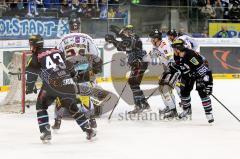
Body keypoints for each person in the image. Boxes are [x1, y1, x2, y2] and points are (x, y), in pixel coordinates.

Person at [26, 34, 97, 143]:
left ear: (33, 45)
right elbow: (69, 66)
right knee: (73, 107)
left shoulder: (35, 57)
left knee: (41, 105)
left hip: (51, 85)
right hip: (67, 82)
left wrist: (29, 88)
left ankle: (45, 131)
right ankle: (88, 129)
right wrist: (73, 75)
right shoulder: (56, 50)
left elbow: (31, 77)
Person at [52, 17, 116, 130]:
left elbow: (56, 57)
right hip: (83, 70)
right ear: (79, 26)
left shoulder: (62, 39)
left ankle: (57, 121)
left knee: (61, 95)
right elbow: (96, 54)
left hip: (68, 71)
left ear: (69, 26)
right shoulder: (87, 38)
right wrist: (95, 67)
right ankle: (92, 120)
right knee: (85, 95)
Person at [105, 25, 150, 114]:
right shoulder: (130, 38)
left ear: (129, 31)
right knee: (134, 83)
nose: (124, 32)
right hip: (138, 64)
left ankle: (139, 105)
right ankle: (144, 103)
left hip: (140, 63)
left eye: (125, 30)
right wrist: (114, 39)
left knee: (133, 82)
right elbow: (121, 47)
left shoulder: (134, 37)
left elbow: (125, 44)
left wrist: (114, 38)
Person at [170, 39, 214, 123]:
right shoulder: (176, 55)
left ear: (178, 48)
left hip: (199, 73)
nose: (173, 50)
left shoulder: (190, 54)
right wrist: (173, 68)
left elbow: (204, 69)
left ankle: (209, 113)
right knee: (184, 91)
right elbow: (180, 66)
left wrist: (209, 84)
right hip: (188, 74)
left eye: (174, 48)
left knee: (203, 92)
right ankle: (187, 111)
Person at [147, 29, 179, 119]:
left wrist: (168, 67)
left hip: (172, 69)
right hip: (167, 69)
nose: (151, 40)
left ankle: (173, 110)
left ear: (157, 39)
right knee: (162, 89)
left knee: (166, 89)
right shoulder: (156, 46)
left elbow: (170, 59)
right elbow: (149, 57)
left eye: (152, 38)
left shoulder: (164, 45)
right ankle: (169, 107)